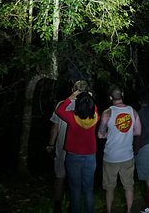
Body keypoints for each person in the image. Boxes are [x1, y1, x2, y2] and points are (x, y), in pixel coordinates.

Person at [47, 80, 90, 213]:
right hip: (79, 150)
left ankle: (58, 205)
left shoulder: (62, 105)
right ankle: (72, 205)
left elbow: (55, 128)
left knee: (60, 176)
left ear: (73, 90)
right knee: (75, 179)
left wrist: (51, 144)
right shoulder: (87, 105)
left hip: (63, 148)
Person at [97, 86, 142, 213]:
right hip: (127, 156)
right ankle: (129, 210)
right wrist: (125, 133)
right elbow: (138, 131)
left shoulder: (107, 113)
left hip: (110, 157)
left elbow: (100, 135)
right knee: (128, 186)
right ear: (122, 95)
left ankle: (109, 210)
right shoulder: (132, 111)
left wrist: (111, 134)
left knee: (110, 187)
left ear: (110, 98)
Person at [55, 90, 99, 213]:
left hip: (73, 157)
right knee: (88, 190)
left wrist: (71, 97)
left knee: (75, 190)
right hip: (90, 157)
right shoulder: (95, 117)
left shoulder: (72, 117)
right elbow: (94, 107)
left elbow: (59, 110)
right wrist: (89, 97)